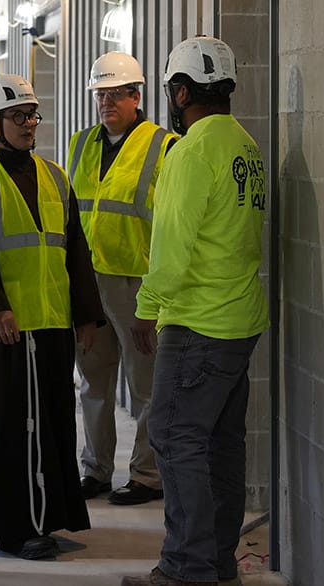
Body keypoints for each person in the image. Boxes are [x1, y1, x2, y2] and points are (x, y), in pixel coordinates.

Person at [122, 36, 269, 586]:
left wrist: (144, 309)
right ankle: (217, 561)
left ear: (181, 91)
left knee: (175, 437)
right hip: (239, 321)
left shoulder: (190, 152)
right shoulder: (245, 147)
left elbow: (171, 250)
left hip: (198, 324)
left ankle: (186, 569)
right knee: (221, 445)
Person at [0, 73, 104, 561]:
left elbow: (74, 250)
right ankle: (15, 526)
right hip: (7, 330)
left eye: (32, 115)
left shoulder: (56, 177)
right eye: (18, 116)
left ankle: (48, 516)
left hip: (52, 323)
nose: (28, 124)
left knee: (53, 423)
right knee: (12, 429)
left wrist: (85, 315)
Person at [68, 51, 176, 506]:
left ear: (137, 96)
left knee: (145, 384)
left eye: (116, 94)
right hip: (89, 280)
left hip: (136, 283)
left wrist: (156, 296)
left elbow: (171, 222)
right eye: (101, 94)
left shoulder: (164, 146)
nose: (106, 102)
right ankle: (95, 469)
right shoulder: (80, 144)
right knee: (92, 380)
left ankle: (147, 476)